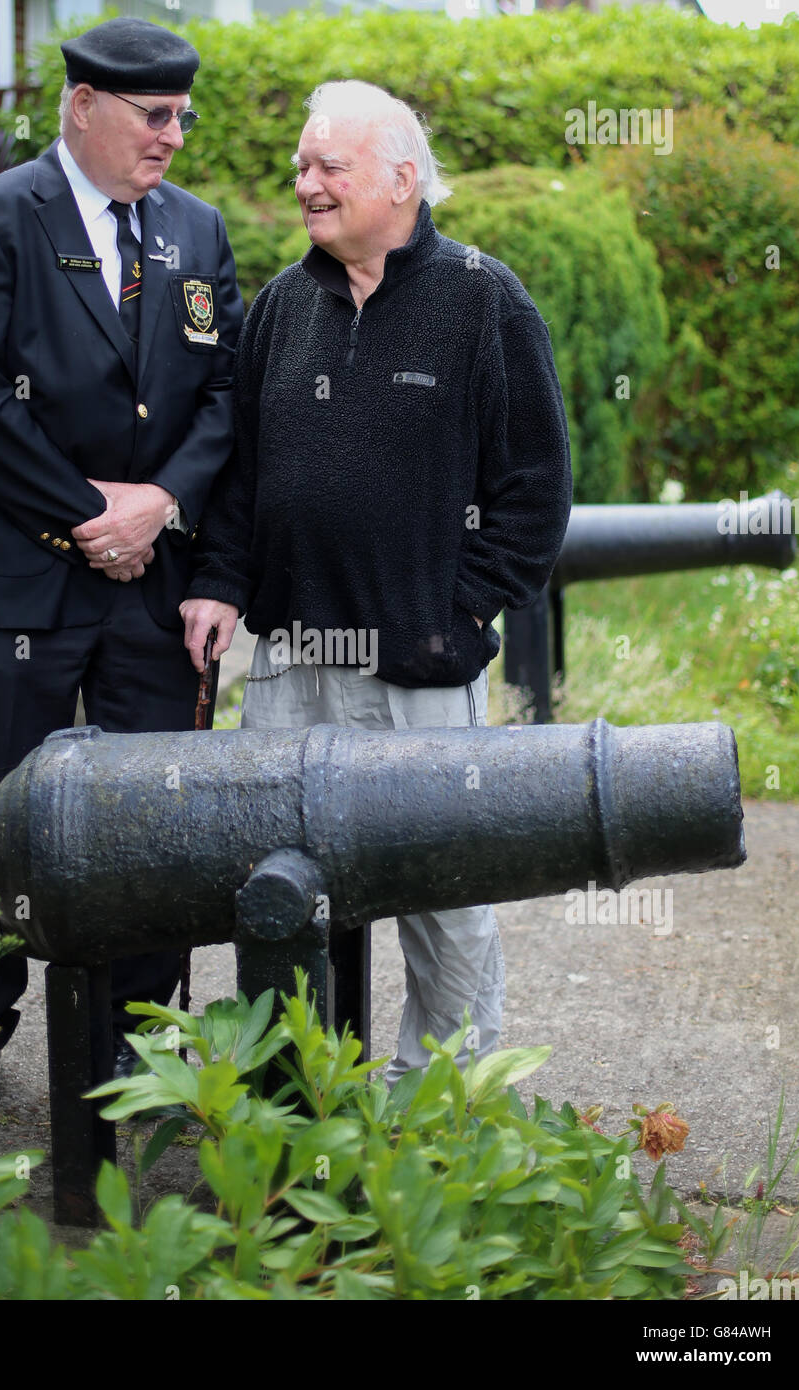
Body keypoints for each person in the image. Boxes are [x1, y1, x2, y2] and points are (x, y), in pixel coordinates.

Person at [180, 80, 572, 1087]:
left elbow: (535, 491)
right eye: (301, 166)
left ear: (401, 178)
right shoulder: (278, 305)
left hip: (419, 665)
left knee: (443, 893)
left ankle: (440, 1108)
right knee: (272, 881)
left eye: (327, 167)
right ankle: (288, 1089)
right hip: (291, 664)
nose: (304, 184)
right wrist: (219, 583)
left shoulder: (484, 299)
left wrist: (458, 609)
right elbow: (238, 478)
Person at [0, 17, 243, 1105]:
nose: (174, 138)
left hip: (152, 585)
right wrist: (88, 515)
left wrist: (160, 505)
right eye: (155, 116)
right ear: (83, 103)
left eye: (182, 116)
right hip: (18, 574)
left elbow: (223, 395)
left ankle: (135, 1037)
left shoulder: (194, 232)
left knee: (156, 820)